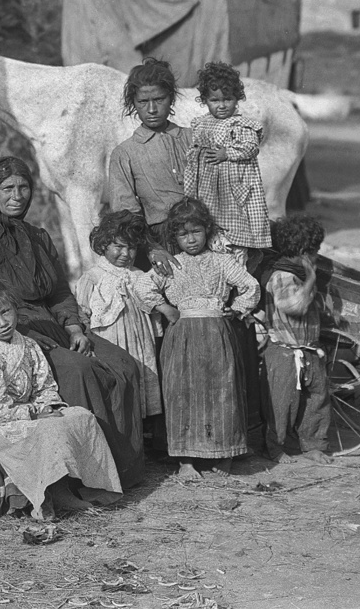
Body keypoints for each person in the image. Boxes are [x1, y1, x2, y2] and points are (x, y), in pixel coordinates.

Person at [0, 156, 145, 486]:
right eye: (7, 188)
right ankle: (81, 475)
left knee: (122, 364)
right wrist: (13, 341)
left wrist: (73, 327)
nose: (17, 196)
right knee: (79, 370)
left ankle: (121, 468)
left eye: (24, 187)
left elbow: (58, 291)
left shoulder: (37, 236)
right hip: (9, 334)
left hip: (52, 325)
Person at [0, 280, 122, 520]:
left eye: (6, 311)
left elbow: (44, 384)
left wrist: (48, 406)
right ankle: (46, 495)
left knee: (81, 418)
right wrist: (34, 413)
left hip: (30, 412)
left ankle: (71, 488)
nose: (3, 322)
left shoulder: (27, 344)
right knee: (48, 430)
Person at [135, 198, 259, 479]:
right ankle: (186, 461)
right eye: (183, 234)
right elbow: (143, 285)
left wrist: (236, 309)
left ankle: (224, 454)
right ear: (174, 237)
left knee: (222, 390)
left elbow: (250, 285)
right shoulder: (171, 264)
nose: (190, 240)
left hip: (217, 335)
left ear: (207, 231)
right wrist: (165, 308)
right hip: (182, 336)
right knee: (183, 392)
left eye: (196, 232)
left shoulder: (222, 261)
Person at [73, 210, 164, 424]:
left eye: (131, 248)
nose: (125, 253)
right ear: (104, 245)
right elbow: (82, 311)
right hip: (111, 341)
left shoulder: (140, 276)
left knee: (142, 375)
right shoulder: (93, 277)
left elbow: (153, 309)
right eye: (119, 246)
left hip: (140, 339)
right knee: (117, 381)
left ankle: (145, 427)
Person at [256, 215, 333, 464]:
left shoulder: (297, 275)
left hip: (309, 348)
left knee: (316, 400)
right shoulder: (282, 276)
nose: (317, 256)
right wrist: (311, 280)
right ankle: (275, 447)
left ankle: (313, 445)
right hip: (285, 351)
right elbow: (294, 306)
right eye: (315, 251)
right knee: (282, 403)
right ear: (302, 252)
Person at [107, 57, 191, 276]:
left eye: (159, 99)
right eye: (143, 101)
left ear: (171, 98)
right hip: (160, 241)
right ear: (133, 103)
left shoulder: (192, 139)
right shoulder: (125, 153)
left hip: (203, 234)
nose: (152, 109)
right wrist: (153, 249)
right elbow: (126, 212)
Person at [181, 62, 271, 260]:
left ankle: (237, 264)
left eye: (228, 99)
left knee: (233, 229)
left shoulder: (239, 125)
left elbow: (251, 147)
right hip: (206, 186)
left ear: (237, 99)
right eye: (215, 100)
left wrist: (227, 153)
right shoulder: (202, 123)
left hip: (231, 189)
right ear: (205, 100)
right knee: (209, 224)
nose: (221, 106)